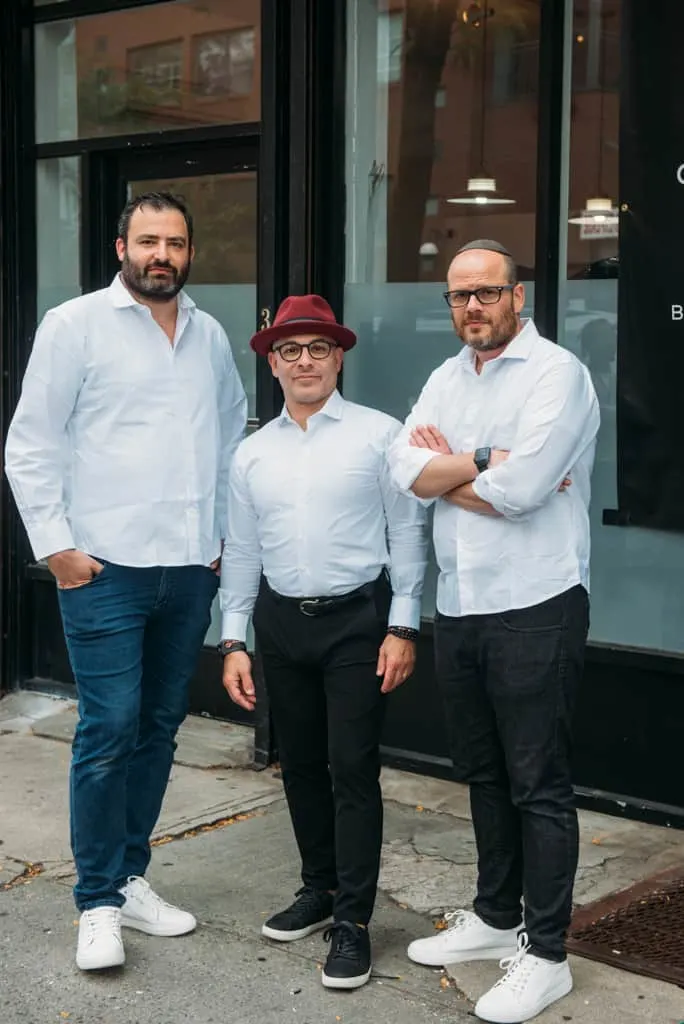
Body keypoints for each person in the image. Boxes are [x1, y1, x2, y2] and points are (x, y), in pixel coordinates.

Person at [5, 192, 247, 972]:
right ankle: (97, 901)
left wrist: (220, 544)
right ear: (121, 247)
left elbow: (226, 443)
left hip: (187, 572)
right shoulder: (74, 325)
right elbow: (31, 443)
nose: (162, 255)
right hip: (103, 569)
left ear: (189, 252)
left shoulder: (208, 336)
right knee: (108, 731)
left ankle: (131, 876)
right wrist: (57, 549)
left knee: (157, 730)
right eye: (149, 241)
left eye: (175, 242)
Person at [388, 240, 599, 1023]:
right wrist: (480, 462)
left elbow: (522, 492)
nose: (471, 308)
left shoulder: (557, 376)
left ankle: (546, 956)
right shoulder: (446, 377)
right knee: (482, 772)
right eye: (457, 297)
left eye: (486, 293)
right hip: (464, 604)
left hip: (536, 601)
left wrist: (450, 478)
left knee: (538, 784)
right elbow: (399, 469)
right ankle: (495, 915)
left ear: (518, 297)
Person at [219, 294, 427, 990]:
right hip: (280, 623)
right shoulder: (251, 454)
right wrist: (232, 639)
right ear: (271, 363)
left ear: (338, 358)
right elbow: (242, 551)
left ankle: (354, 922)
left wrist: (403, 624)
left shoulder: (379, 435)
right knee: (300, 764)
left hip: (357, 623)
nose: (304, 361)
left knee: (350, 768)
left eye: (317, 349)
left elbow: (408, 537)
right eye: (289, 350)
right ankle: (320, 889)